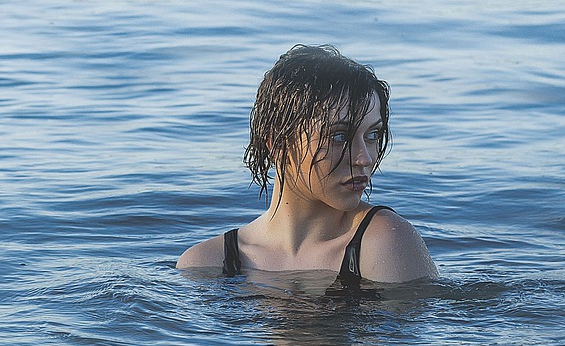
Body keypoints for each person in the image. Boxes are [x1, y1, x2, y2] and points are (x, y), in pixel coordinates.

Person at [179, 44, 437, 290]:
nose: (364, 158)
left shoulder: (384, 240)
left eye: (372, 135)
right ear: (278, 143)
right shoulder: (207, 263)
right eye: (339, 137)